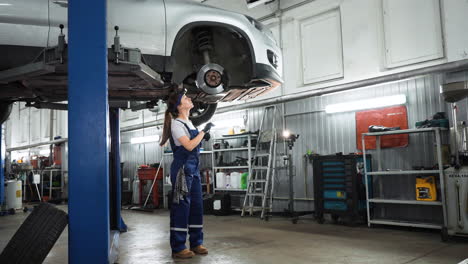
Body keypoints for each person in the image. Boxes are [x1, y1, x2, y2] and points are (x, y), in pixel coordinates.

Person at [160, 86, 214, 259]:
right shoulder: (176, 124)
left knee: (197, 206)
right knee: (181, 206)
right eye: (185, 97)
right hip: (183, 170)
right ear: (178, 105)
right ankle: (178, 247)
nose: (189, 98)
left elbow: (194, 142)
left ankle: (196, 242)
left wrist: (200, 135)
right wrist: (203, 132)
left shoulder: (189, 122)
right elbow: (189, 145)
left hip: (194, 170)